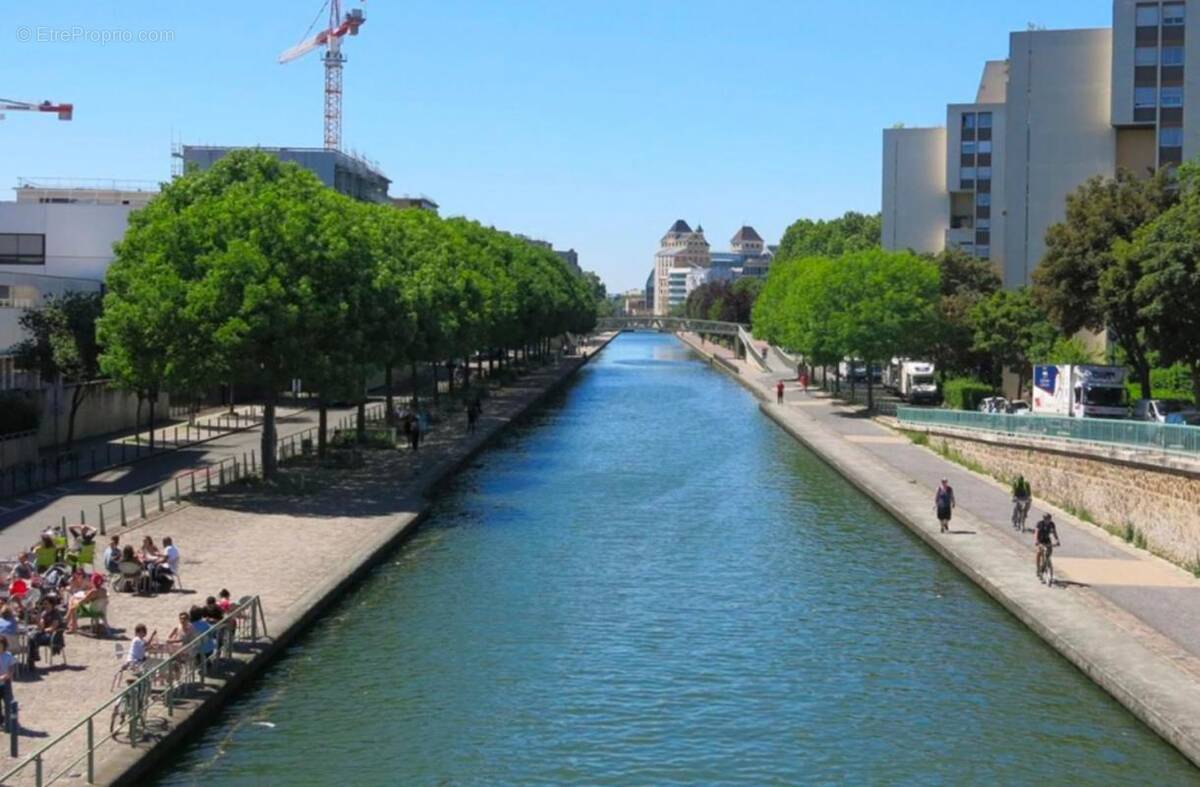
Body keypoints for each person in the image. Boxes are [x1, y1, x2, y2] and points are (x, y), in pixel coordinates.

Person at [30, 597, 63, 666]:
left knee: (33, 639)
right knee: (30, 638)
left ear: (51, 604)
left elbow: (53, 627)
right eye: (43, 604)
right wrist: (37, 619)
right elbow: (41, 625)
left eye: (46, 604)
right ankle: (32, 658)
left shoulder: (55, 613)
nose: (44, 606)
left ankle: (32, 659)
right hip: (44, 634)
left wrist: (43, 630)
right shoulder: (44, 613)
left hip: (53, 635)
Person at [1034, 513, 1061, 585]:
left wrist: (1057, 540)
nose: (1047, 520)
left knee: (1049, 553)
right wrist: (1036, 541)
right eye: (1046, 519)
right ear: (1044, 519)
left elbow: (1054, 533)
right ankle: (1038, 569)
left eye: (1048, 519)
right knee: (1039, 552)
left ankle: (1047, 565)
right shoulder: (1040, 524)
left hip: (1047, 540)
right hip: (1040, 540)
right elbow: (1036, 533)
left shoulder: (1052, 524)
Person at [0, 636, 15, 728]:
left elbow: (11, 670)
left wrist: (6, 676)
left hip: (6, 684)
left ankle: (9, 722)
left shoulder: (8, 656)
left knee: (8, 703)